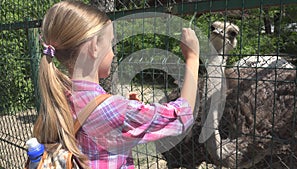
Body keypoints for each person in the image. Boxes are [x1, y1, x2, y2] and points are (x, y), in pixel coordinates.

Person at [33, 1, 200, 169]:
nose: (113, 54)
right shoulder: (113, 110)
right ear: (95, 47)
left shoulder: (59, 94)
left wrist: (123, 108)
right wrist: (192, 57)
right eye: (111, 44)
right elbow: (181, 115)